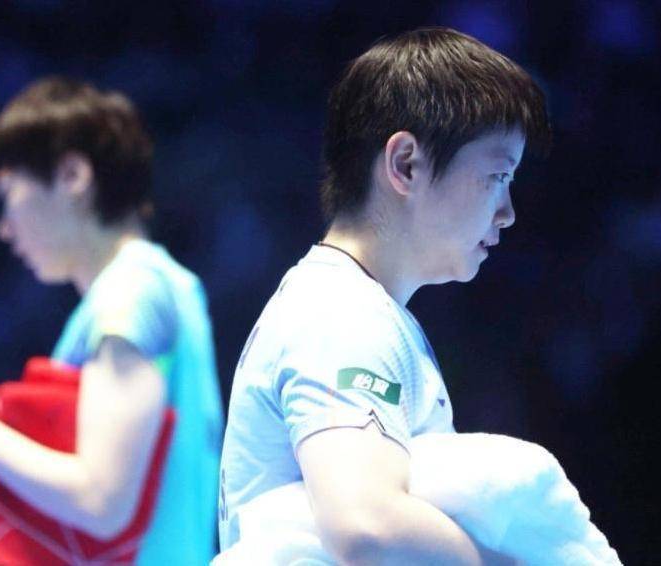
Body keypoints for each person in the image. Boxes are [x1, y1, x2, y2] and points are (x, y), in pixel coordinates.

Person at [218, 27, 550, 564]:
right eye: (496, 176)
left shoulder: (359, 309)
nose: (508, 212)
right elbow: (365, 525)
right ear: (406, 165)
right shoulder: (340, 314)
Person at [0, 77, 224, 565]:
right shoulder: (161, 285)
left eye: (9, 193)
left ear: (71, 175)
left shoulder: (130, 293)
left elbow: (102, 500)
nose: (4, 228)